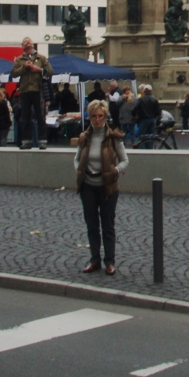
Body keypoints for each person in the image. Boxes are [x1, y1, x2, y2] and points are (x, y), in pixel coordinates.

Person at [74, 99, 128, 276]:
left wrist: (116, 170)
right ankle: (94, 260)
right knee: (91, 225)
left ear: (105, 117)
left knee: (108, 225)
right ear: (89, 117)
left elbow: (125, 160)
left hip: (108, 187)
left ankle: (110, 262)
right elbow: (76, 158)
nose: (97, 119)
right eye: (94, 116)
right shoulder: (85, 137)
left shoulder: (113, 137)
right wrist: (80, 171)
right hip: (88, 186)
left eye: (100, 116)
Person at [10, 37, 52, 150]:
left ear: (33, 46)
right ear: (23, 47)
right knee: (25, 117)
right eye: (25, 45)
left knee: (40, 116)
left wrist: (38, 69)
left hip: (38, 90)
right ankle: (26, 141)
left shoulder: (41, 58)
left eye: (29, 44)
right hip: (24, 91)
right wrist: (25, 67)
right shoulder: (19, 60)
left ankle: (42, 141)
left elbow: (50, 71)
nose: (28, 46)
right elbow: (13, 73)